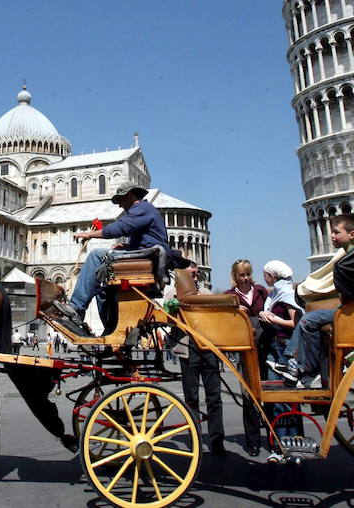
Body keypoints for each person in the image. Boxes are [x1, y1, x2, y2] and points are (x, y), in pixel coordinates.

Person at [55, 181, 174, 331]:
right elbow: (148, 239)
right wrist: (126, 247)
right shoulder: (145, 210)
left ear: (129, 196)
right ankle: (112, 331)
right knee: (103, 290)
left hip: (148, 259)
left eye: (121, 200)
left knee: (96, 256)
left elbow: (119, 228)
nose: (120, 206)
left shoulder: (141, 208)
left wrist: (90, 234)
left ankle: (76, 307)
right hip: (147, 256)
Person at [274, 214, 354, 386]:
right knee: (310, 315)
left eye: (337, 232)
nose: (332, 236)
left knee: (308, 320)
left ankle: (306, 367)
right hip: (351, 307)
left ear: (352, 234)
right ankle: (293, 364)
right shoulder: (351, 256)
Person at [164, 263, 225, 456]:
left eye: (197, 274)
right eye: (191, 274)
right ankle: (195, 438)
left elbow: (217, 320)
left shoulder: (207, 293)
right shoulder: (172, 294)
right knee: (191, 398)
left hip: (208, 349)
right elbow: (165, 318)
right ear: (183, 276)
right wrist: (171, 309)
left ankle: (217, 440)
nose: (196, 277)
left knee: (214, 398)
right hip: (187, 350)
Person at [224, 259, 269, 456]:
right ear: (235, 277)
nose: (246, 278)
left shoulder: (261, 291)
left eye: (248, 274)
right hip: (245, 350)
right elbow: (225, 322)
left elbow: (273, 309)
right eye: (242, 275)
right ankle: (253, 442)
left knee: (270, 393)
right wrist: (234, 310)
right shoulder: (230, 296)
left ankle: (273, 439)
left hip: (265, 347)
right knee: (249, 396)